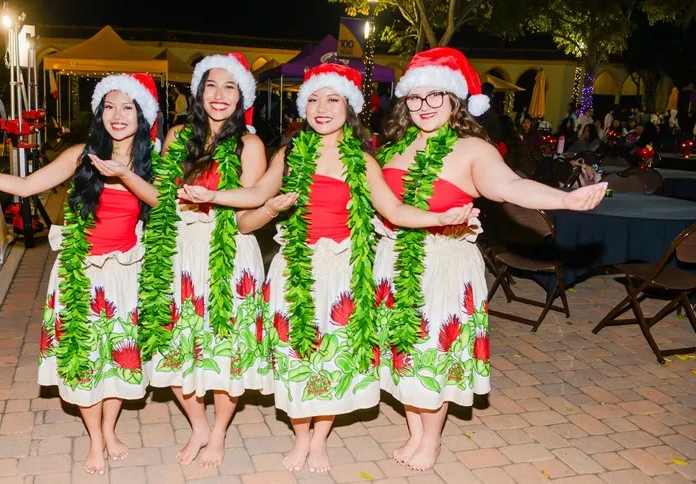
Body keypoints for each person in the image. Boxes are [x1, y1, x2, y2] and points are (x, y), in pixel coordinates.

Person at [178, 63, 479, 474]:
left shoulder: (363, 161)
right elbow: (255, 197)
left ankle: (320, 439)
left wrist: (445, 219)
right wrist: (217, 196)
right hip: (293, 269)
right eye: (313, 99)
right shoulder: (289, 152)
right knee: (294, 353)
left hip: (342, 270)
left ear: (348, 107)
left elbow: (394, 210)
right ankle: (301, 436)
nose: (321, 108)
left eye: (332, 99)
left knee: (332, 359)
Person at [372, 47, 607, 472]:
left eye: (435, 96)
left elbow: (511, 186)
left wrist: (565, 199)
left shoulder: (473, 150)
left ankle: (431, 439)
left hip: (442, 265)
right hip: (392, 263)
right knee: (403, 350)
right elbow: (384, 203)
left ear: (454, 99)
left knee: (433, 353)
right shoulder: (394, 148)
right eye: (414, 97)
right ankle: (414, 431)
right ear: (404, 101)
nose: (423, 106)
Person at [0, 74, 162, 475]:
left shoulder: (152, 164)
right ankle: (95, 438)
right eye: (109, 106)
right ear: (100, 112)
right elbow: (24, 186)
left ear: (142, 115)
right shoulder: (80, 155)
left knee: (120, 358)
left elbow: (161, 202)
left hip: (126, 273)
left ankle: (110, 428)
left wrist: (124, 174)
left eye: (127, 107)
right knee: (84, 359)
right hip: (80, 274)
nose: (117, 116)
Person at [139, 53, 271, 469]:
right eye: (211, 85)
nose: (219, 95)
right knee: (173, 345)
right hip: (179, 250)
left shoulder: (250, 144)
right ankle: (198, 424)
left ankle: (217, 433)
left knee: (224, 352)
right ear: (199, 91)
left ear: (241, 96)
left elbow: (250, 212)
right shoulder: (178, 136)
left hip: (228, 254)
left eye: (229, 87)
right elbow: (163, 197)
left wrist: (238, 203)